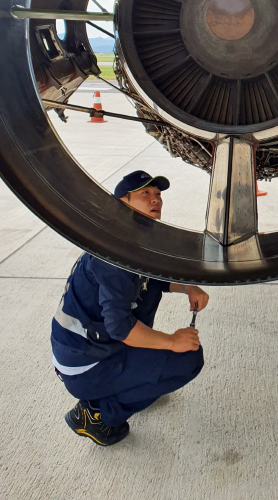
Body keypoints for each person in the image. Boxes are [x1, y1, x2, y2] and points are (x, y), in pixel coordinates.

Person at [51, 170, 208, 446]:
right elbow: (121, 327)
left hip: (96, 347)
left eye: (157, 194)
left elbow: (152, 279)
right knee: (187, 359)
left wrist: (187, 287)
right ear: (122, 202)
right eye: (144, 194)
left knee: (159, 340)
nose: (155, 199)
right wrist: (172, 341)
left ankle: (132, 383)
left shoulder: (127, 239)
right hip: (86, 363)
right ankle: (97, 414)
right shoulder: (114, 255)